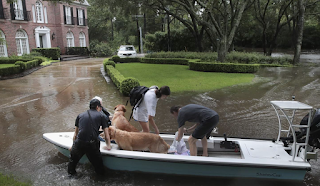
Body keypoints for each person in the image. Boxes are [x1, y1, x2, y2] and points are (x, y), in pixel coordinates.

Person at [68, 99, 111, 176]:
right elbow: (107, 136)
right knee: (99, 169)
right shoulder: (102, 116)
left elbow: (75, 135)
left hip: (79, 143)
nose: (101, 109)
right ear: (97, 107)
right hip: (92, 144)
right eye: (100, 107)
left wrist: (72, 146)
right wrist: (108, 146)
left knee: (72, 166)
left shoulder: (80, 115)